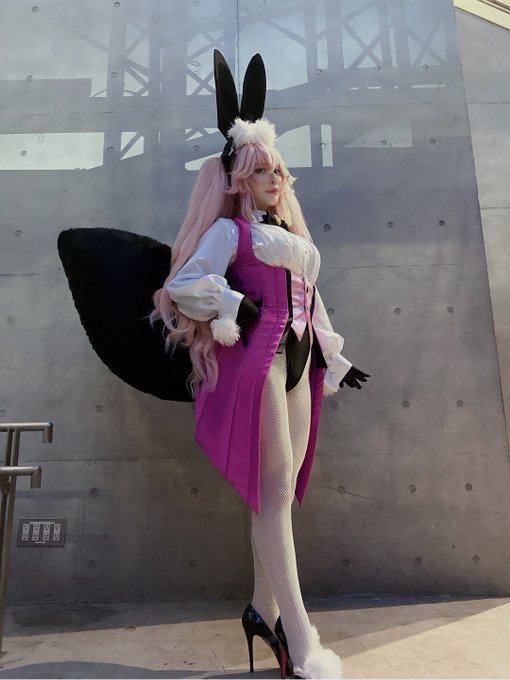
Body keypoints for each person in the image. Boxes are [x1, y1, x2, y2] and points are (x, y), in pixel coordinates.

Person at [150, 53, 369, 680]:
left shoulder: (293, 238)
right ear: (239, 179)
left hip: (301, 365)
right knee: (273, 494)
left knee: (280, 495)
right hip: (260, 363)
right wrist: (233, 305)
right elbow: (185, 284)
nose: (274, 178)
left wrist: (336, 355)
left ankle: (260, 610)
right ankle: (301, 642)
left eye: (277, 168)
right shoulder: (231, 235)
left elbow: (312, 302)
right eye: (261, 170)